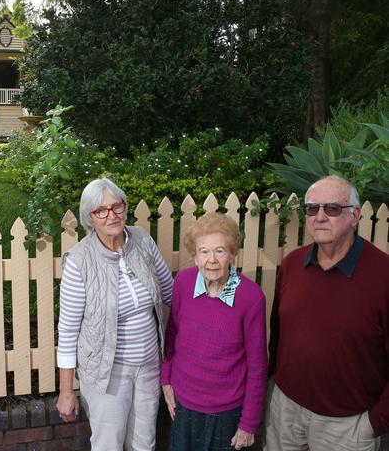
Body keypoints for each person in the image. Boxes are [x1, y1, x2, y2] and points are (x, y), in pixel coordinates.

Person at [265, 175, 389, 451]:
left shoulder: (383, 276)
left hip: (348, 425)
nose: (319, 216)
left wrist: (376, 422)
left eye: (332, 208)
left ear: (355, 215)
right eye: (312, 208)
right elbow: (279, 332)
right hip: (285, 410)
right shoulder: (292, 264)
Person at [56, 177, 174, 450]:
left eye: (117, 206)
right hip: (105, 375)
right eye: (101, 210)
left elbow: (171, 292)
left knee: (144, 444)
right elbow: (68, 331)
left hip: (148, 367)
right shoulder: (79, 261)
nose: (112, 215)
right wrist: (65, 391)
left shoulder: (142, 240)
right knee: (108, 444)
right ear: (90, 218)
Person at [161, 212, 267, 451]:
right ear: (195, 255)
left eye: (220, 251)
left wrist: (249, 424)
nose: (211, 260)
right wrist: (166, 378)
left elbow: (258, 365)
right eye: (204, 251)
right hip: (183, 404)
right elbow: (172, 334)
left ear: (231, 253)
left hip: (227, 412)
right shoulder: (183, 283)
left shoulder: (250, 297)